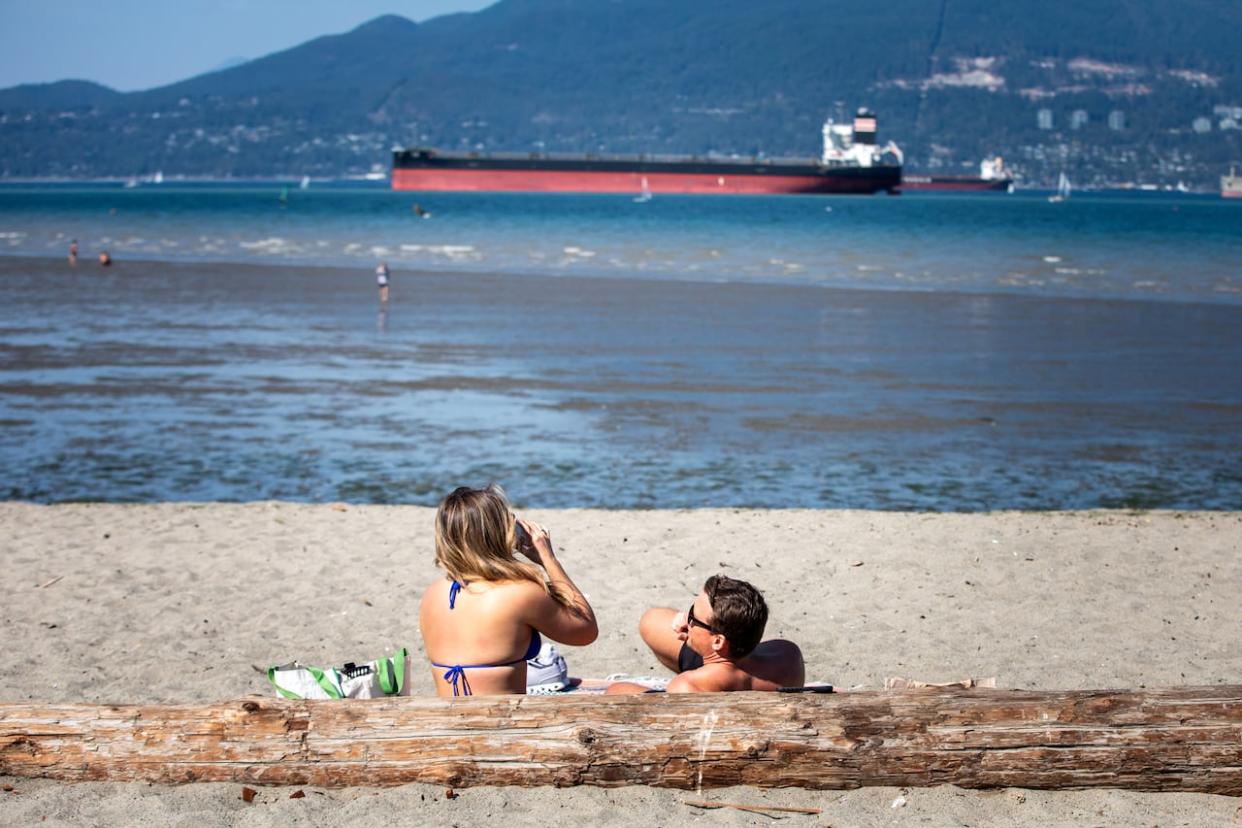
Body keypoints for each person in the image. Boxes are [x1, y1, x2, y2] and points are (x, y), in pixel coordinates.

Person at [419, 484, 597, 696]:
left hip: (446, 720)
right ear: (500, 532)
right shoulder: (520, 593)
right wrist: (548, 559)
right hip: (502, 724)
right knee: (622, 689)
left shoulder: (434, 592)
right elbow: (585, 631)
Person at [606, 574, 804, 693]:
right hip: (727, 661)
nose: (687, 620)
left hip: (700, 703)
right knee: (652, 620)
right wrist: (699, 635)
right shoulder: (788, 655)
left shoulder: (686, 686)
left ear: (718, 641)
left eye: (693, 615)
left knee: (616, 690)